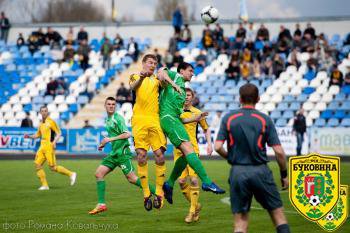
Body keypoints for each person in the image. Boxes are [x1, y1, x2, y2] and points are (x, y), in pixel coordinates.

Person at [214, 83, 290, 233]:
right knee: (278, 217)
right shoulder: (264, 119)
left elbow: (217, 147)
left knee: (240, 224)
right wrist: (284, 175)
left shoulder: (229, 118)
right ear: (258, 99)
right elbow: (279, 152)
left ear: (240, 98)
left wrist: (231, 158)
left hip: (238, 172)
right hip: (260, 171)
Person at [158, 62, 225, 205]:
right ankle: (207, 181)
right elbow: (161, 73)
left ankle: (169, 184)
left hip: (175, 120)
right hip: (169, 119)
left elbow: (182, 117)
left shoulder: (182, 91)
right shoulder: (175, 76)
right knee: (190, 150)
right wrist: (173, 83)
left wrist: (196, 118)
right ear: (181, 71)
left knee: (185, 154)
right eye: (190, 71)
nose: (192, 74)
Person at [89, 97, 157, 215]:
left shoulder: (117, 118)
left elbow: (127, 134)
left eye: (113, 104)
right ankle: (101, 204)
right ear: (105, 106)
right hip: (114, 154)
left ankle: (158, 192)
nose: (111, 106)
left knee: (132, 178)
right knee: (98, 174)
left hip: (122, 154)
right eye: (109, 104)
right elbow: (112, 136)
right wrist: (102, 144)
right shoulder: (108, 119)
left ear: (115, 106)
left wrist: (109, 139)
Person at [129, 54, 174, 210]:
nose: (152, 65)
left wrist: (164, 71)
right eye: (150, 62)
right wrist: (141, 78)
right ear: (143, 63)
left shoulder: (157, 80)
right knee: (141, 155)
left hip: (154, 120)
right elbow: (133, 87)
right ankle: (146, 194)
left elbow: (166, 76)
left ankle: (159, 193)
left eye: (155, 63)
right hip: (139, 120)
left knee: (160, 155)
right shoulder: (135, 76)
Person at [174, 88, 213, 223]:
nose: (186, 97)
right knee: (181, 182)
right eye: (184, 95)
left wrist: (209, 144)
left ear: (193, 97)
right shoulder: (176, 111)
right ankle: (196, 206)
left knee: (194, 180)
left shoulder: (197, 112)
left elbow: (206, 129)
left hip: (192, 150)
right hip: (178, 151)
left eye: (189, 95)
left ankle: (191, 212)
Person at [24, 106, 77, 190]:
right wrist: (29, 136)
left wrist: (54, 142)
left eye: (45, 111)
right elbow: (38, 135)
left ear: (47, 112)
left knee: (53, 167)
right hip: (42, 146)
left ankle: (71, 174)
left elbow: (59, 133)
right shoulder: (41, 123)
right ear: (40, 113)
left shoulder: (51, 122)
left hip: (49, 146)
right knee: (37, 165)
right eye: (42, 111)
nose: (44, 112)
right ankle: (45, 185)